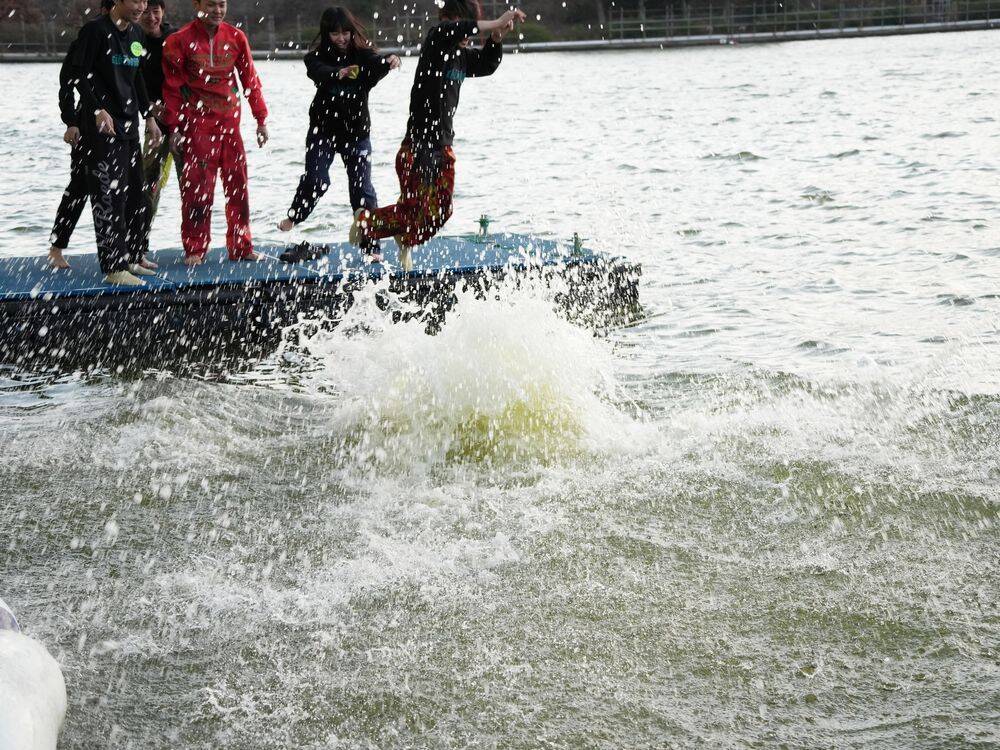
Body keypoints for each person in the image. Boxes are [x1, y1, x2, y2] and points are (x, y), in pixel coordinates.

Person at [349, 1, 525, 271]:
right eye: (463, 29)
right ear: (448, 20)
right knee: (413, 210)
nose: (467, 37)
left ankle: (403, 235)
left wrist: (496, 37)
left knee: (441, 211)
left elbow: (488, 64)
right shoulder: (436, 42)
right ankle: (367, 222)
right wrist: (496, 22)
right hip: (418, 147)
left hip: (442, 146)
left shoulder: (461, 57)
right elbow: (455, 29)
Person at [277, 6, 400, 261]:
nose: (341, 38)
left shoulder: (363, 55)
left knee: (362, 190)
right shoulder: (315, 57)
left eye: (345, 33)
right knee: (317, 179)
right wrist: (338, 73)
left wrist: (390, 61)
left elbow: (377, 63)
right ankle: (295, 216)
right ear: (326, 34)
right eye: (335, 34)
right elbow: (318, 72)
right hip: (323, 131)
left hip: (356, 133)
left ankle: (371, 246)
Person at [162, 0, 269, 266]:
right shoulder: (179, 40)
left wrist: (261, 119)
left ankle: (241, 246)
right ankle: (195, 248)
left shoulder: (235, 37)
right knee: (198, 192)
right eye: (210, 4)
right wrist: (173, 128)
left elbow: (250, 79)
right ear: (197, 5)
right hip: (197, 127)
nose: (217, 10)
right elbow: (172, 88)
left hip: (230, 126)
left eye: (221, 4)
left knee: (238, 189)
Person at [70, 0, 163, 286]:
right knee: (111, 198)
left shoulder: (135, 35)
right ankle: (113, 267)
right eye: (135, 1)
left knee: (138, 195)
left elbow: (136, 80)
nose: (141, 7)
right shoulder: (95, 32)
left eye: (145, 1)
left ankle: (132, 256)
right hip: (100, 129)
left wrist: (148, 116)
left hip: (128, 127)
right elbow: (78, 76)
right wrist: (97, 108)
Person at [46, 0, 115, 270]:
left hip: (118, 125)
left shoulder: (126, 40)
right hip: (86, 125)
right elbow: (68, 84)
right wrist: (70, 122)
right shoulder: (88, 38)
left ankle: (125, 251)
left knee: (121, 188)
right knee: (79, 186)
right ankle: (56, 247)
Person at [136, 0, 177, 262]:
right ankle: (139, 245)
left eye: (156, 11)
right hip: (153, 120)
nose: (152, 17)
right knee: (148, 183)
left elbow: (186, 76)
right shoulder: (134, 40)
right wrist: (149, 107)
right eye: (146, 12)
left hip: (180, 118)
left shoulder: (174, 38)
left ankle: (195, 245)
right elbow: (131, 79)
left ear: (162, 11)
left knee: (187, 183)